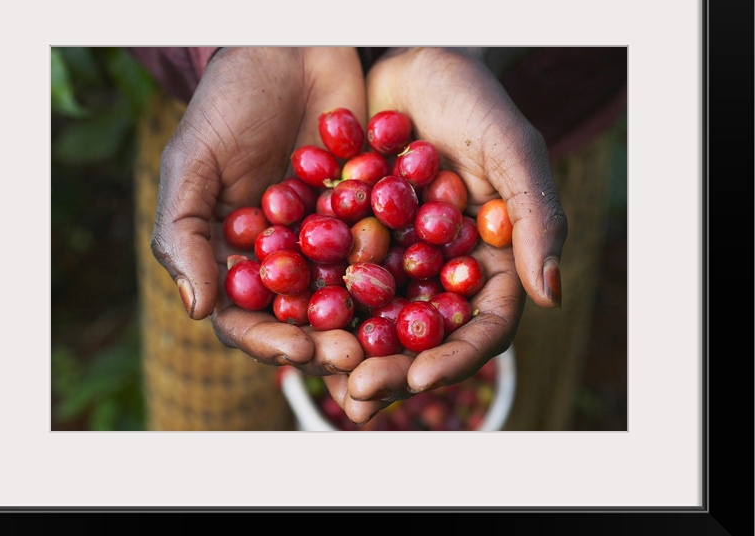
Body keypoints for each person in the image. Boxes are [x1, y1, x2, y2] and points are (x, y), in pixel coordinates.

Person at [130, 46, 627, 429]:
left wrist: (454, 39)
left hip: (532, 110)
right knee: (210, 407)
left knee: (531, 363)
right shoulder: (307, 228)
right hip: (243, 141)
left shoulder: (407, 228)